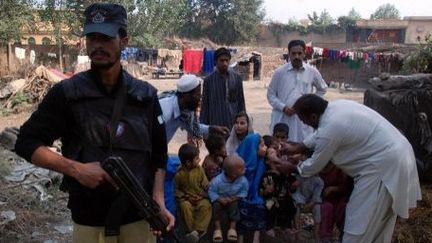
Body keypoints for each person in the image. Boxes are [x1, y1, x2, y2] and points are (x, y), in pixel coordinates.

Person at [14, 3, 174, 243]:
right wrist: (76, 169)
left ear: (124, 41)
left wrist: (158, 200)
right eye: (92, 38)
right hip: (90, 221)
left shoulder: (146, 95)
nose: (97, 46)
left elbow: (159, 156)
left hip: (138, 219)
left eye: (106, 38)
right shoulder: (67, 93)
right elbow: (25, 142)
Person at [277, 94, 422, 243]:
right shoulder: (336, 108)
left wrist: (293, 168)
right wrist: (297, 148)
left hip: (383, 168)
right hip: (394, 157)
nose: (305, 124)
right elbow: (319, 136)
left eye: (304, 121)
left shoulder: (331, 127)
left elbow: (316, 163)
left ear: (313, 116)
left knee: (358, 224)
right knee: (378, 225)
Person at [267, 40, 328, 142]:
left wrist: (310, 104)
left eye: (299, 53)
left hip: (303, 119)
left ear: (304, 53)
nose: (297, 56)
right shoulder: (280, 72)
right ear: (289, 54)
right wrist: (283, 108)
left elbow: (322, 89)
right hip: (283, 117)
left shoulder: (311, 71)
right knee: (280, 145)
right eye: (293, 53)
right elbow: (271, 94)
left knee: (302, 146)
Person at [159, 74, 229, 143]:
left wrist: (212, 128)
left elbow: (194, 127)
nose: (200, 99)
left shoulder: (184, 112)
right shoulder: (165, 110)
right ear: (186, 96)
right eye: (198, 95)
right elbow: (151, 130)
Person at [200, 47, 246, 130]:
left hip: (233, 127)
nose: (225, 63)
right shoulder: (208, 81)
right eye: (221, 60)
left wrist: (243, 124)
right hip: (215, 127)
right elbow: (205, 106)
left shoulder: (237, 78)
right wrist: (204, 129)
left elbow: (241, 102)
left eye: (227, 60)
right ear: (215, 62)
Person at [174, 144, 212, 243]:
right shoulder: (179, 174)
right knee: (185, 207)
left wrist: (206, 189)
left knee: (206, 205)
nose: (199, 160)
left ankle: (197, 232)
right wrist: (186, 197)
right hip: (187, 199)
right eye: (197, 158)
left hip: (200, 197)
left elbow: (205, 183)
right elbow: (176, 190)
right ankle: (194, 233)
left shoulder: (199, 169)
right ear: (188, 162)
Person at [208, 155, 249, 243]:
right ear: (234, 174)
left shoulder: (243, 181)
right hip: (220, 198)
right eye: (242, 168)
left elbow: (244, 191)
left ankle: (232, 228)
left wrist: (235, 198)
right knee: (215, 206)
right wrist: (219, 199)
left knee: (234, 207)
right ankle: (217, 229)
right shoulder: (217, 181)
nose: (245, 169)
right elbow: (211, 191)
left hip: (233, 199)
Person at [236, 133, 268, 243]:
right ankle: (240, 237)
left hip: (257, 195)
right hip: (239, 196)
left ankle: (256, 238)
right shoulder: (239, 166)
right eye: (262, 146)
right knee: (240, 206)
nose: (265, 148)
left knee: (260, 205)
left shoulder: (262, 162)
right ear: (253, 148)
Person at [319, 163, 353, 242]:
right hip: (324, 199)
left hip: (339, 198)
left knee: (343, 209)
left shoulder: (338, 170)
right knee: (327, 208)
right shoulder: (318, 170)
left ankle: (343, 235)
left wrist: (333, 189)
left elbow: (344, 188)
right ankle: (325, 237)